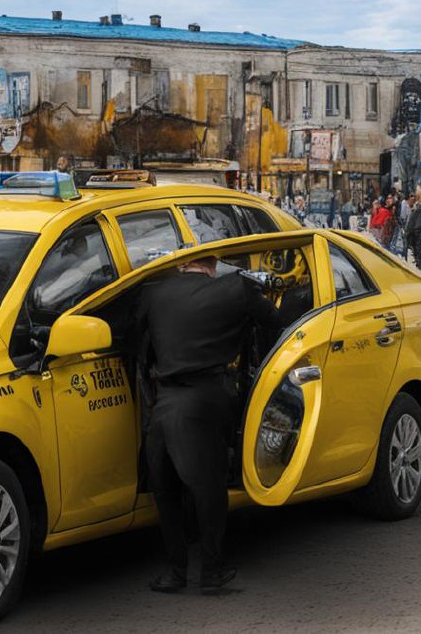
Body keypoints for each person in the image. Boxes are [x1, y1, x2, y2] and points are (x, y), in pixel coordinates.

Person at [137, 254, 281, 593]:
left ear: (182, 264)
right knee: (209, 490)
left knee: (166, 490)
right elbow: (276, 322)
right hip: (208, 396)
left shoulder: (154, 293)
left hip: (164, 402)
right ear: (213, 265)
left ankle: (175, 572)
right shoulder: (237, 289)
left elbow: (139, 345)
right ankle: (212, 572)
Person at [403, 194, 421, 269]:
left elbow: (409, 221)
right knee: (416, 247)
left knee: (417, 247)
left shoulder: (417, 208)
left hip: (416, 230)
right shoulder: (409, 208)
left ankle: (418, 262)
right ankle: (418, 261)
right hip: (415, 230)